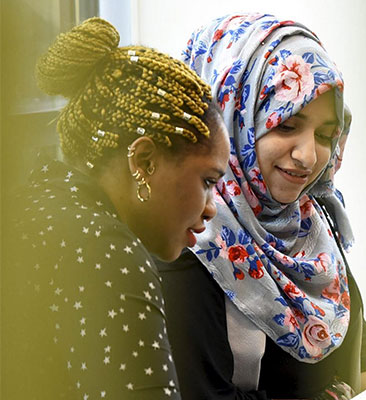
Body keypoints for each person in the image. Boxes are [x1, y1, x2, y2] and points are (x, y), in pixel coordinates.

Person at [156, 13, 366, 400]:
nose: (308, 156)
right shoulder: (190, 241)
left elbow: (343, 317)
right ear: (232, 118)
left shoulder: (308, 218)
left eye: (326, 134)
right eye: (285, 125)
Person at [3, 17, 230, 399]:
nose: (211, 208)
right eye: (207, 181)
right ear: (143, 161)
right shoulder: (105, 250)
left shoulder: (32, 208)